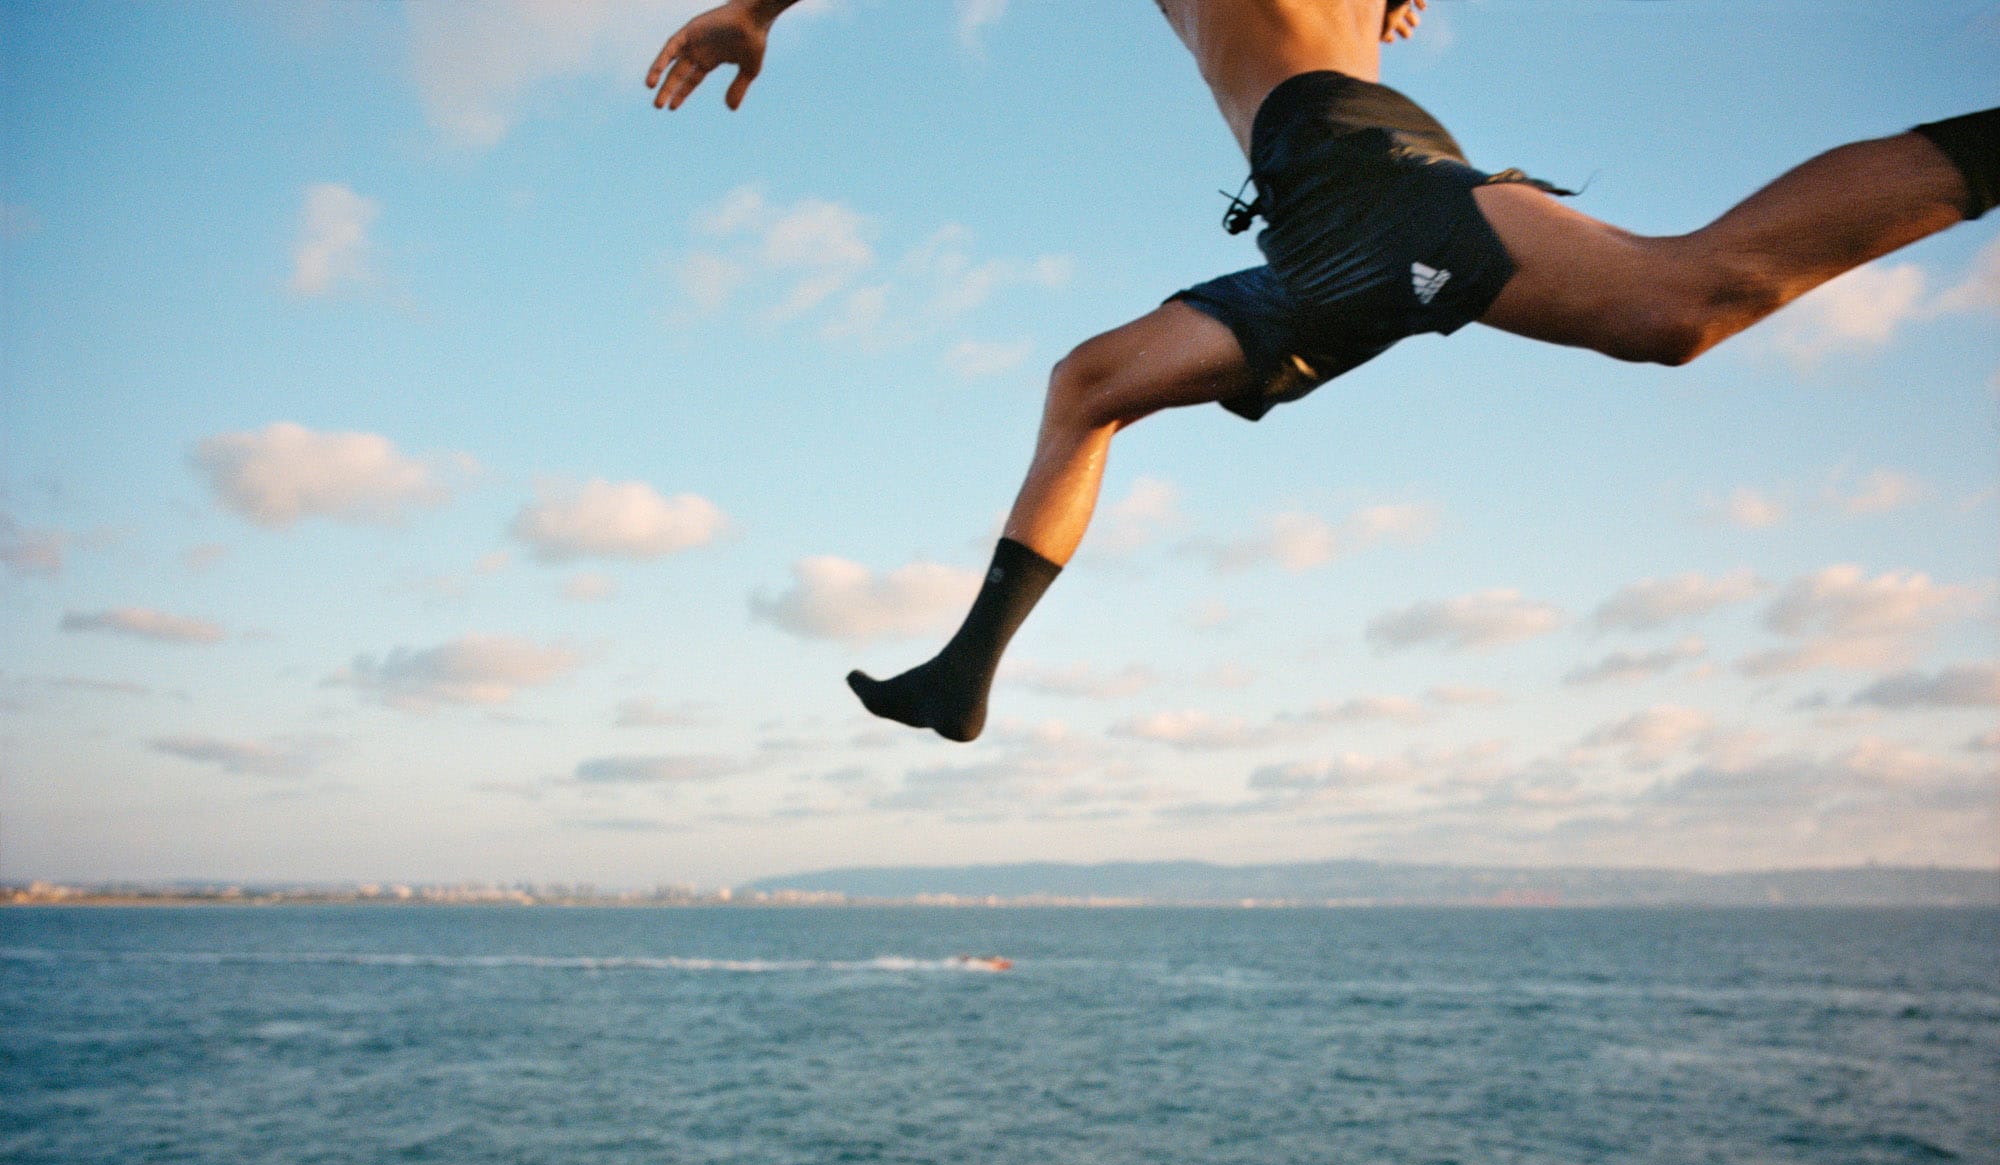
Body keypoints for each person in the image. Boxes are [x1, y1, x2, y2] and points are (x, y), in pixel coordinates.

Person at [647, 0, 1996, 743]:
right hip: (1316, 220)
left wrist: (759, 7)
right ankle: (962, 675)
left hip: (1360, 177)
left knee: (1682, 301)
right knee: (1089, 383)